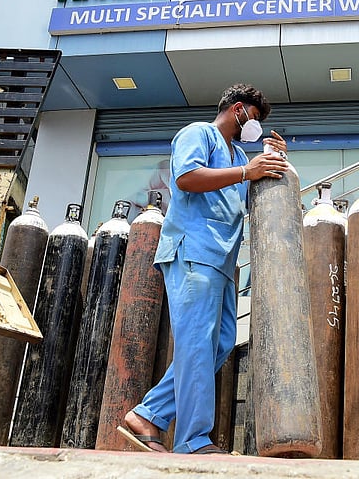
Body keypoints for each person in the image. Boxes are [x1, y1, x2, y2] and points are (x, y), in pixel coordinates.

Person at [117, 83, 288, 454]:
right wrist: (247, 171)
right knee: (196, 343)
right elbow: (186, 178)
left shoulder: (240, 154)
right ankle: (192, 439)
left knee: (220, 343)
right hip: (193, 251)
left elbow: (250, 196)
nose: (254, 126)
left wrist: (273, 164)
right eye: (254, 118)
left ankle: (148, 414)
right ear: (238, 109)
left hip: (223, 263)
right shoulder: (200, 134)